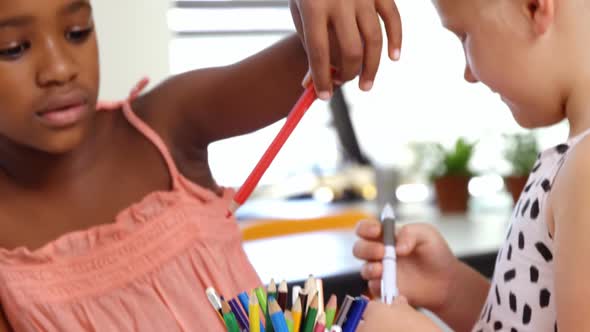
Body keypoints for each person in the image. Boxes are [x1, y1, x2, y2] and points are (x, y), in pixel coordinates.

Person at [0, 0, 401, 330]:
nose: (59, 69)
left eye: (76, 32)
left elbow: (337, 44)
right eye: (13, 48)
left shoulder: (166, 124)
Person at [350, 0, 590, 330]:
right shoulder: (573, 161)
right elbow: (529, 320)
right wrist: (450, 288)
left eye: (464, 35)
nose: (469, 73)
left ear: (535, 7)